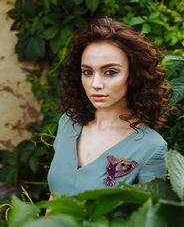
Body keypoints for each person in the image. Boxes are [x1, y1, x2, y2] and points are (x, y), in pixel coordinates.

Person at [47, 16, 172, 198]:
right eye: (87, 72)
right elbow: (55, 196)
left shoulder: (152, 148)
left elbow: (148, 218)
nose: (96, 84)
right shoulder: (68, 122)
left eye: (110, 72)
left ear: (133, 74)